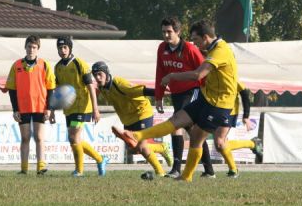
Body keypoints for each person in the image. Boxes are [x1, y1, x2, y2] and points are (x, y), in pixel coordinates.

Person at [113, 20, 238, 182]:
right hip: (207, 98)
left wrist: (172, 76)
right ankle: (136, 135)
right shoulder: (212, 48)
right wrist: (159, 94)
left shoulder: (220, 51)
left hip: (219, 104)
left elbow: (198, 75)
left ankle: (191, 175)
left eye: (197, 40)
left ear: (206, 37)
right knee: (177, 120)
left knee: (198, 138)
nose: (195, 43)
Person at [154, 16, 216, 179]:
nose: (166, 35)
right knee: (194, 130)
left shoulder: (189, 48)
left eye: (169, 32)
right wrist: (159, 96)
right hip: (176, 94)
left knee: (177, 123)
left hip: (193, 91)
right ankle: (209, 170)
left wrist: (206, 93)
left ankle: (176, 168)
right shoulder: (162, 48)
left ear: (178, 32)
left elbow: (204, 70)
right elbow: (160, 72)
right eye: (163, 32)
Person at [92, 61, 173, 180]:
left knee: (142, 147)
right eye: (95, 75)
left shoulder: (119, 84)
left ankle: (160, 172)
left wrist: (162, 93)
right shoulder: (103, 88)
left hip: (142, 113)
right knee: (133, 149)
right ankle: (161, 147)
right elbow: (94, 92)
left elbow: (142, 90)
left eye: (100, 74)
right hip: (128, 119)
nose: (98, 78)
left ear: (106, 73)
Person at [50, 36, 108, 177]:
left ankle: (79, 171)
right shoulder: (57, 67)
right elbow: (57, 91)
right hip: (69, 107)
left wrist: (96, 109)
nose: (62, 50)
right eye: (60, 48)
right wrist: (51, 110)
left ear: (70, 48)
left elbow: (91, 87)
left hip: (82, 106)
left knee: (74, 136)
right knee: (74, 139)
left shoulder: (79, 64)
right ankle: (100, 159)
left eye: (65, 47)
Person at [6, 35, 56, 175]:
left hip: (40, 106)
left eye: (34, 47)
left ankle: (41, 166)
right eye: (29, 46)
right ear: (25, 47)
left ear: (38, 49)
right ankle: (24, 169)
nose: (31, 50)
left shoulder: (44, 65)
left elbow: (51, 87)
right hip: (23, 107)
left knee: (39, 137)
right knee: (25, 137)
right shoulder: (17, 65)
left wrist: (49, 108)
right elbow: (12, 89)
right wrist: (15, 109)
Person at [222, 83, 263, 178]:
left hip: (229, 112)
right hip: (213, 110)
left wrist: (246, 116)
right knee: (221, 143)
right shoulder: (207, 74)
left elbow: (244, 94)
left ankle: (233, 170)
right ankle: (252, 144)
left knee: (220, 142)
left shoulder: (230, 74)